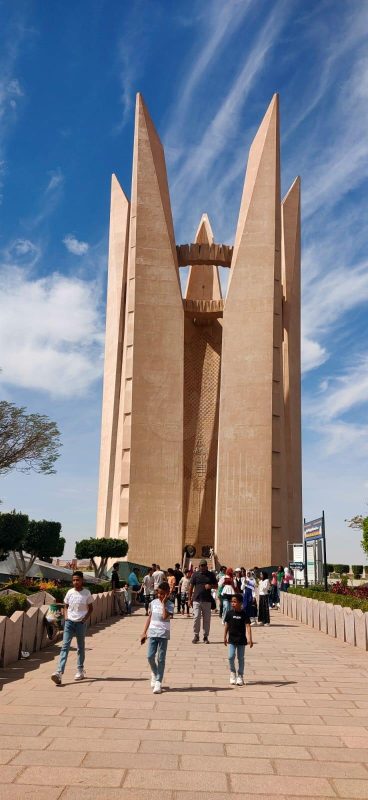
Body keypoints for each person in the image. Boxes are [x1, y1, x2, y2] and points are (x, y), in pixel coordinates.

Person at [51, 571, 93, 685]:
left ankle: (80, 670)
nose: (75, 582)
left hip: (80, 623)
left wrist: (84, 619)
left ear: (82, 580)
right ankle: (59, 672)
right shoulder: (70, 592)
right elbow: (65, 606)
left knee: (80, 647)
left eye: (77, 580)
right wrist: (66, 617)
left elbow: (91, 608)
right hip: (69, 623)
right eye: (74, 580)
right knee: (65, 646)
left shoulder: (87, 593)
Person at [141, 580, 174, 694]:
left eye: (162, 594)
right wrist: (144, 632)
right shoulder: (153, 602)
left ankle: (158, 682)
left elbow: (165, 617)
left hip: (163, 635)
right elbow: (150, 617)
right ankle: (155, 673)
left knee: (161, 658)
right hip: (152, 633)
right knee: (150, 657)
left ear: (167, 593)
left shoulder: (170, 604)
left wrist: (164, 603)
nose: (160, 596)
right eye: (158, 593)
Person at [224, 593, 253, 685]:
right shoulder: (229, 613)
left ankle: (240, 675)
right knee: (230, 657)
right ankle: (233, 672)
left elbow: (248, 626)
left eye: (235, 602)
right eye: (232, 601)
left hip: (241, 640)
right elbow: (226, 626)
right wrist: (224, 636)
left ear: (240, 603)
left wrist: (250, 639)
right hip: (232, 640)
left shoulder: (244, 614)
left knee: (240, 658)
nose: (233, 603)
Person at [189, 559, 217, 644]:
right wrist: (189, 599)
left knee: (206, 620)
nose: (203, 567)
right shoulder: (195, 574)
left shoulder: (211, 575)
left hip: (207, 600)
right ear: (199, 566)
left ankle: (205, 636)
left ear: (206, 566)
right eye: (201, 566)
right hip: (196, 600)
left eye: (204, 566)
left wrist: (210, 586)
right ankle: (196, 635)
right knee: (196, 618)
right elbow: (191, 587)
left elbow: (216, 586)